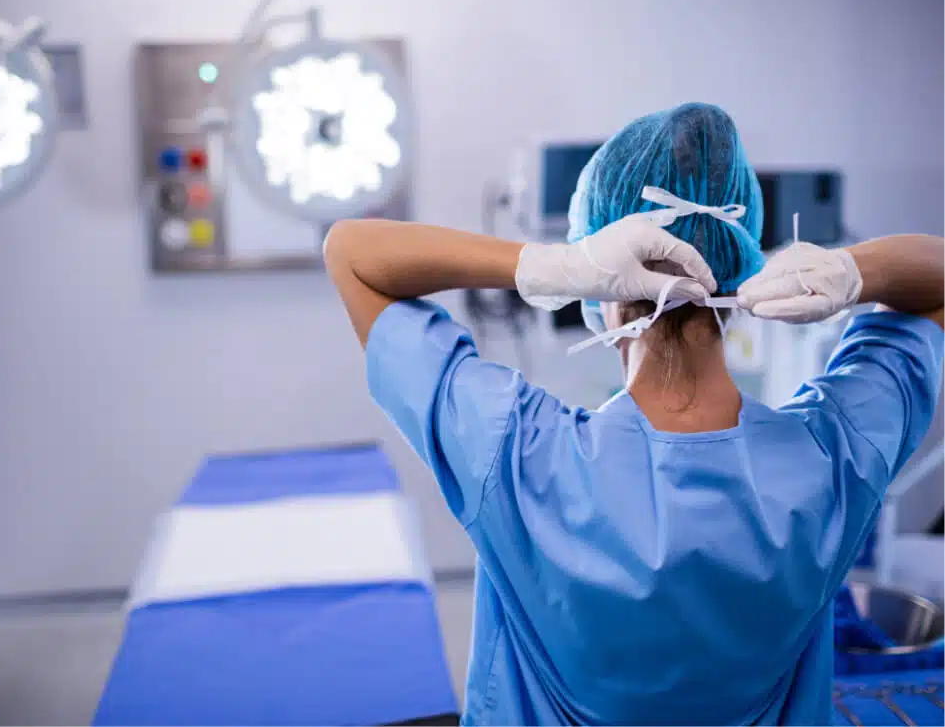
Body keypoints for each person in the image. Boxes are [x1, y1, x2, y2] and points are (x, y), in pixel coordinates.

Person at [323, 103, 944, 726]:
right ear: (746, 255)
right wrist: (851, 271)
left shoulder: (515, 453)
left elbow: (352, 253)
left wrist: (543, 267)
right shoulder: (833, 460)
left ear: (602, 266)